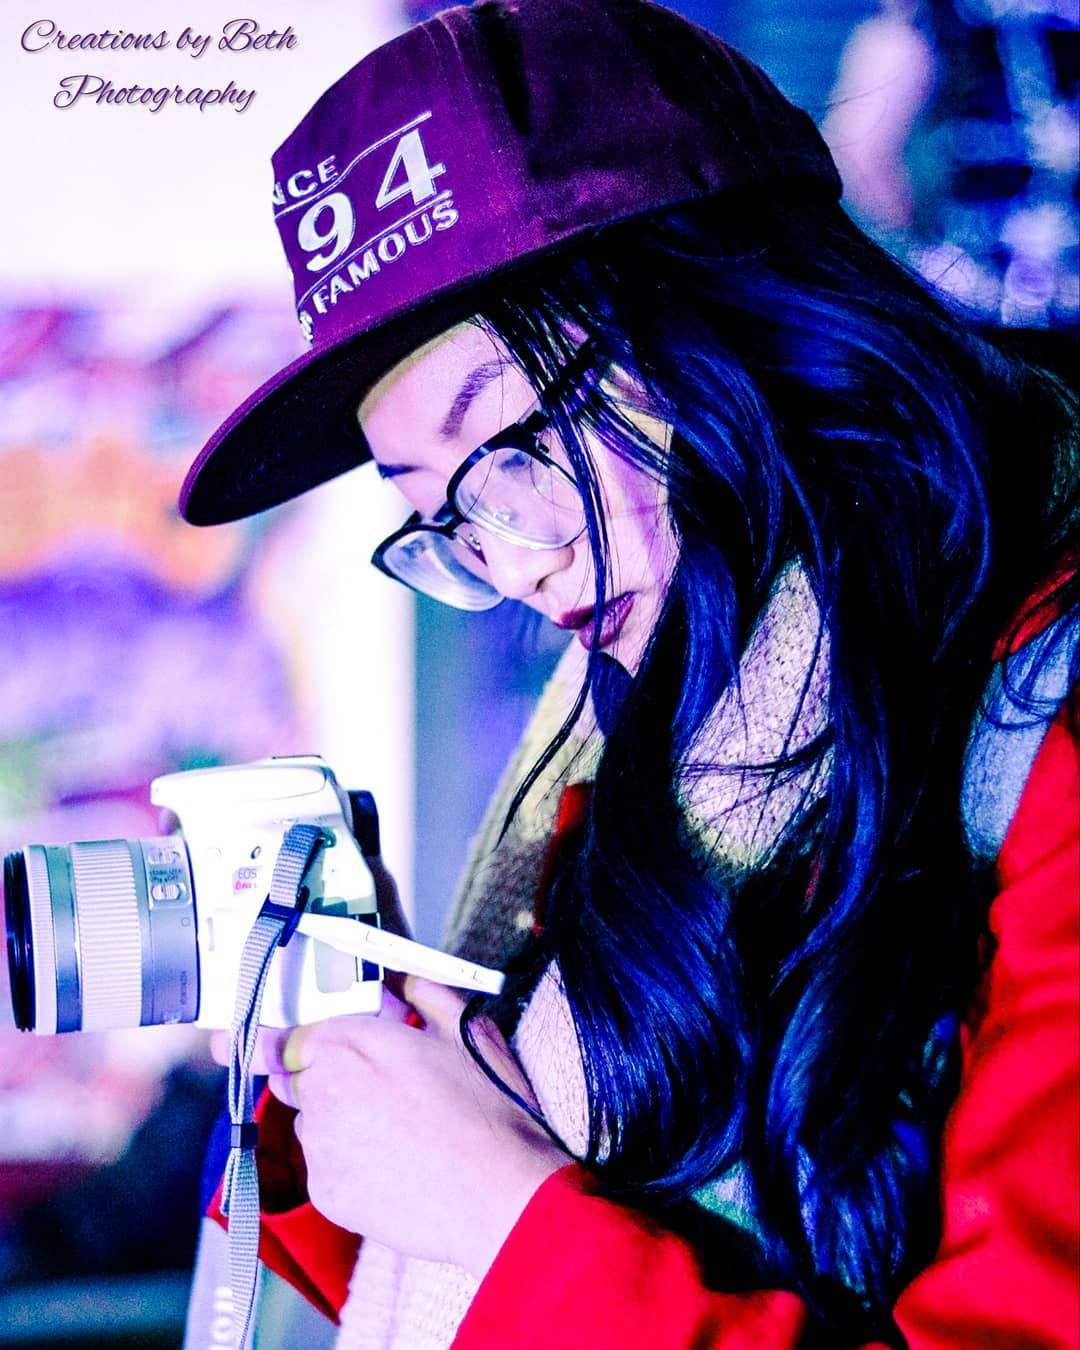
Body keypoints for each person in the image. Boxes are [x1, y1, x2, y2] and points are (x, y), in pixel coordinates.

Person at [179, 1, 1079, 1346]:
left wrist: (502, 1215)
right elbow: (638, 1227)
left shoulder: (1041, 717)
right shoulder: (648, 740)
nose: (518, 564)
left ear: (731, 311)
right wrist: (344, 1095)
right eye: (449, 518)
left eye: (513, 454)